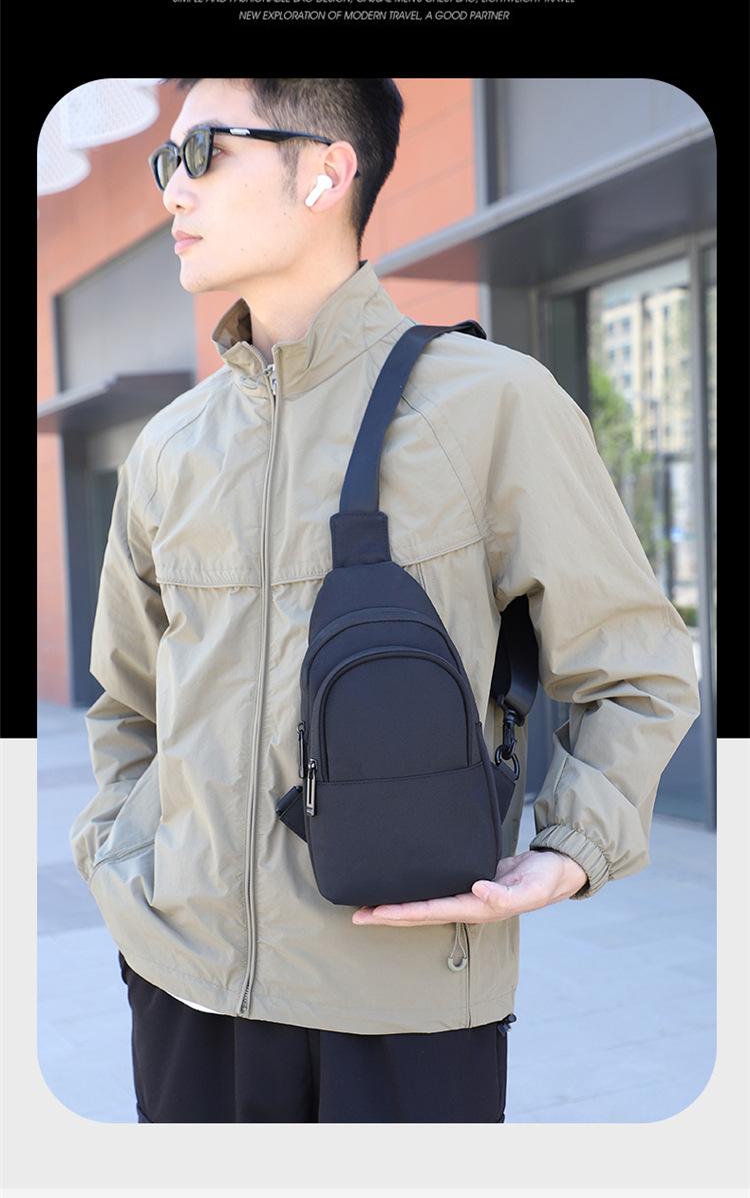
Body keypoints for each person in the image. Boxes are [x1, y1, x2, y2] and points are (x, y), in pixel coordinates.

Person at [69, 77, 701, 1124]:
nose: (172, 191)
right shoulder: (168, 449)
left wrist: (571, 849)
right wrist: (124, 867)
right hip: (183, 992)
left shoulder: (492, 403)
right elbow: (126, 704)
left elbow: (639, 670)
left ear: (326, 171)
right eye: (163, 162)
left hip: (404, 1007)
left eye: (203, 152)